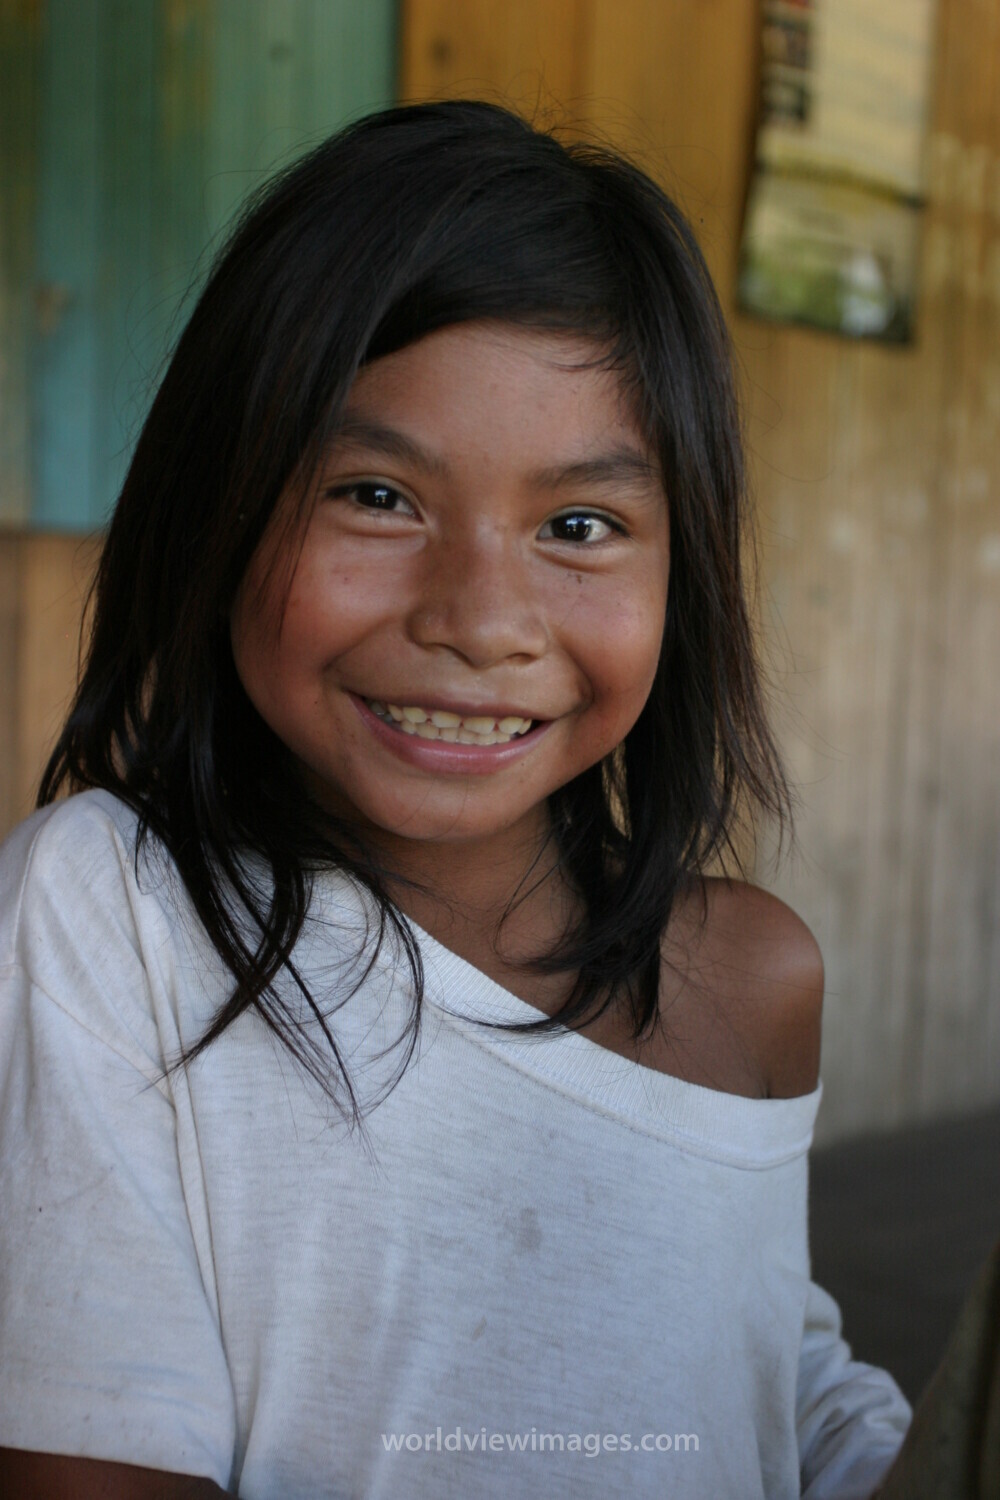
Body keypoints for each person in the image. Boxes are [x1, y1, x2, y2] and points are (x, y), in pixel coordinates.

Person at [0, 100, 912, 1499]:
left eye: (580, 526)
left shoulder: (754, 979)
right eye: (374, 494)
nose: (485, 620)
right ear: (218, 506)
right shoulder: (114, 917)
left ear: (687, 573)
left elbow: (756, 1367)